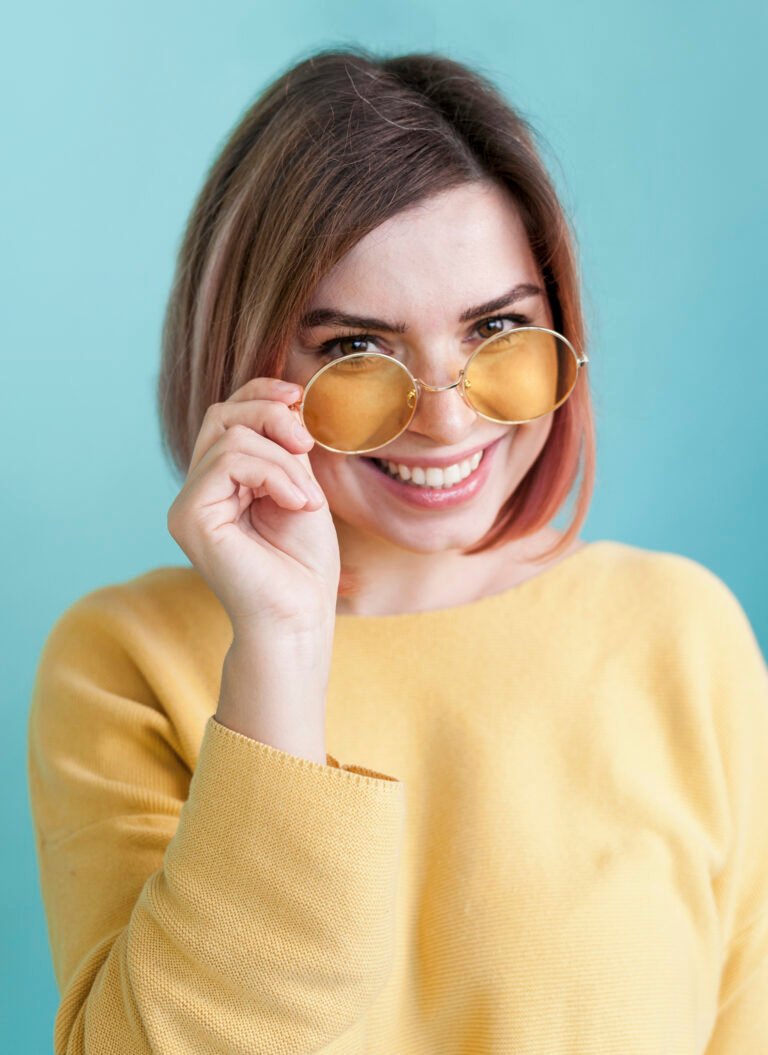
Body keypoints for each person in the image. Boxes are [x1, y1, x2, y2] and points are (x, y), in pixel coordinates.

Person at [27, 46, 768, 1054]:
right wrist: (281, 650)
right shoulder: (123, 661)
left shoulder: (684, 634)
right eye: (354, 351)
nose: (446, 418)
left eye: (498, 326)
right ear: (247, 366)